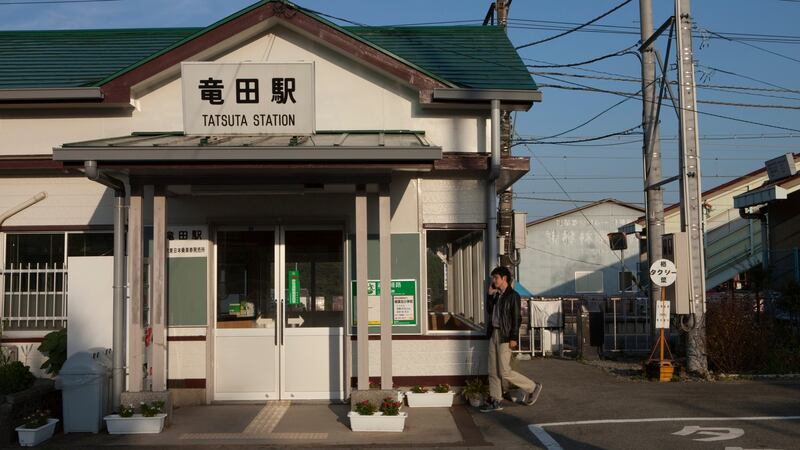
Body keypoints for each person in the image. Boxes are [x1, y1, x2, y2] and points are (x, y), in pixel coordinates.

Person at [480, 266, 542, 412]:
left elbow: (517, 318)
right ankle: (496, 400)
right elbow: (490, 312)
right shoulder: (496, 295)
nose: (493, 281)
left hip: (505, 336)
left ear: (504, 279)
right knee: (492, 371)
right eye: (493, 278)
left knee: (504, 371)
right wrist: (489, 295)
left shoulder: (513, 296)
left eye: (496, 278)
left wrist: (514, 337)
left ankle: (533, 387)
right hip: (494, 333)